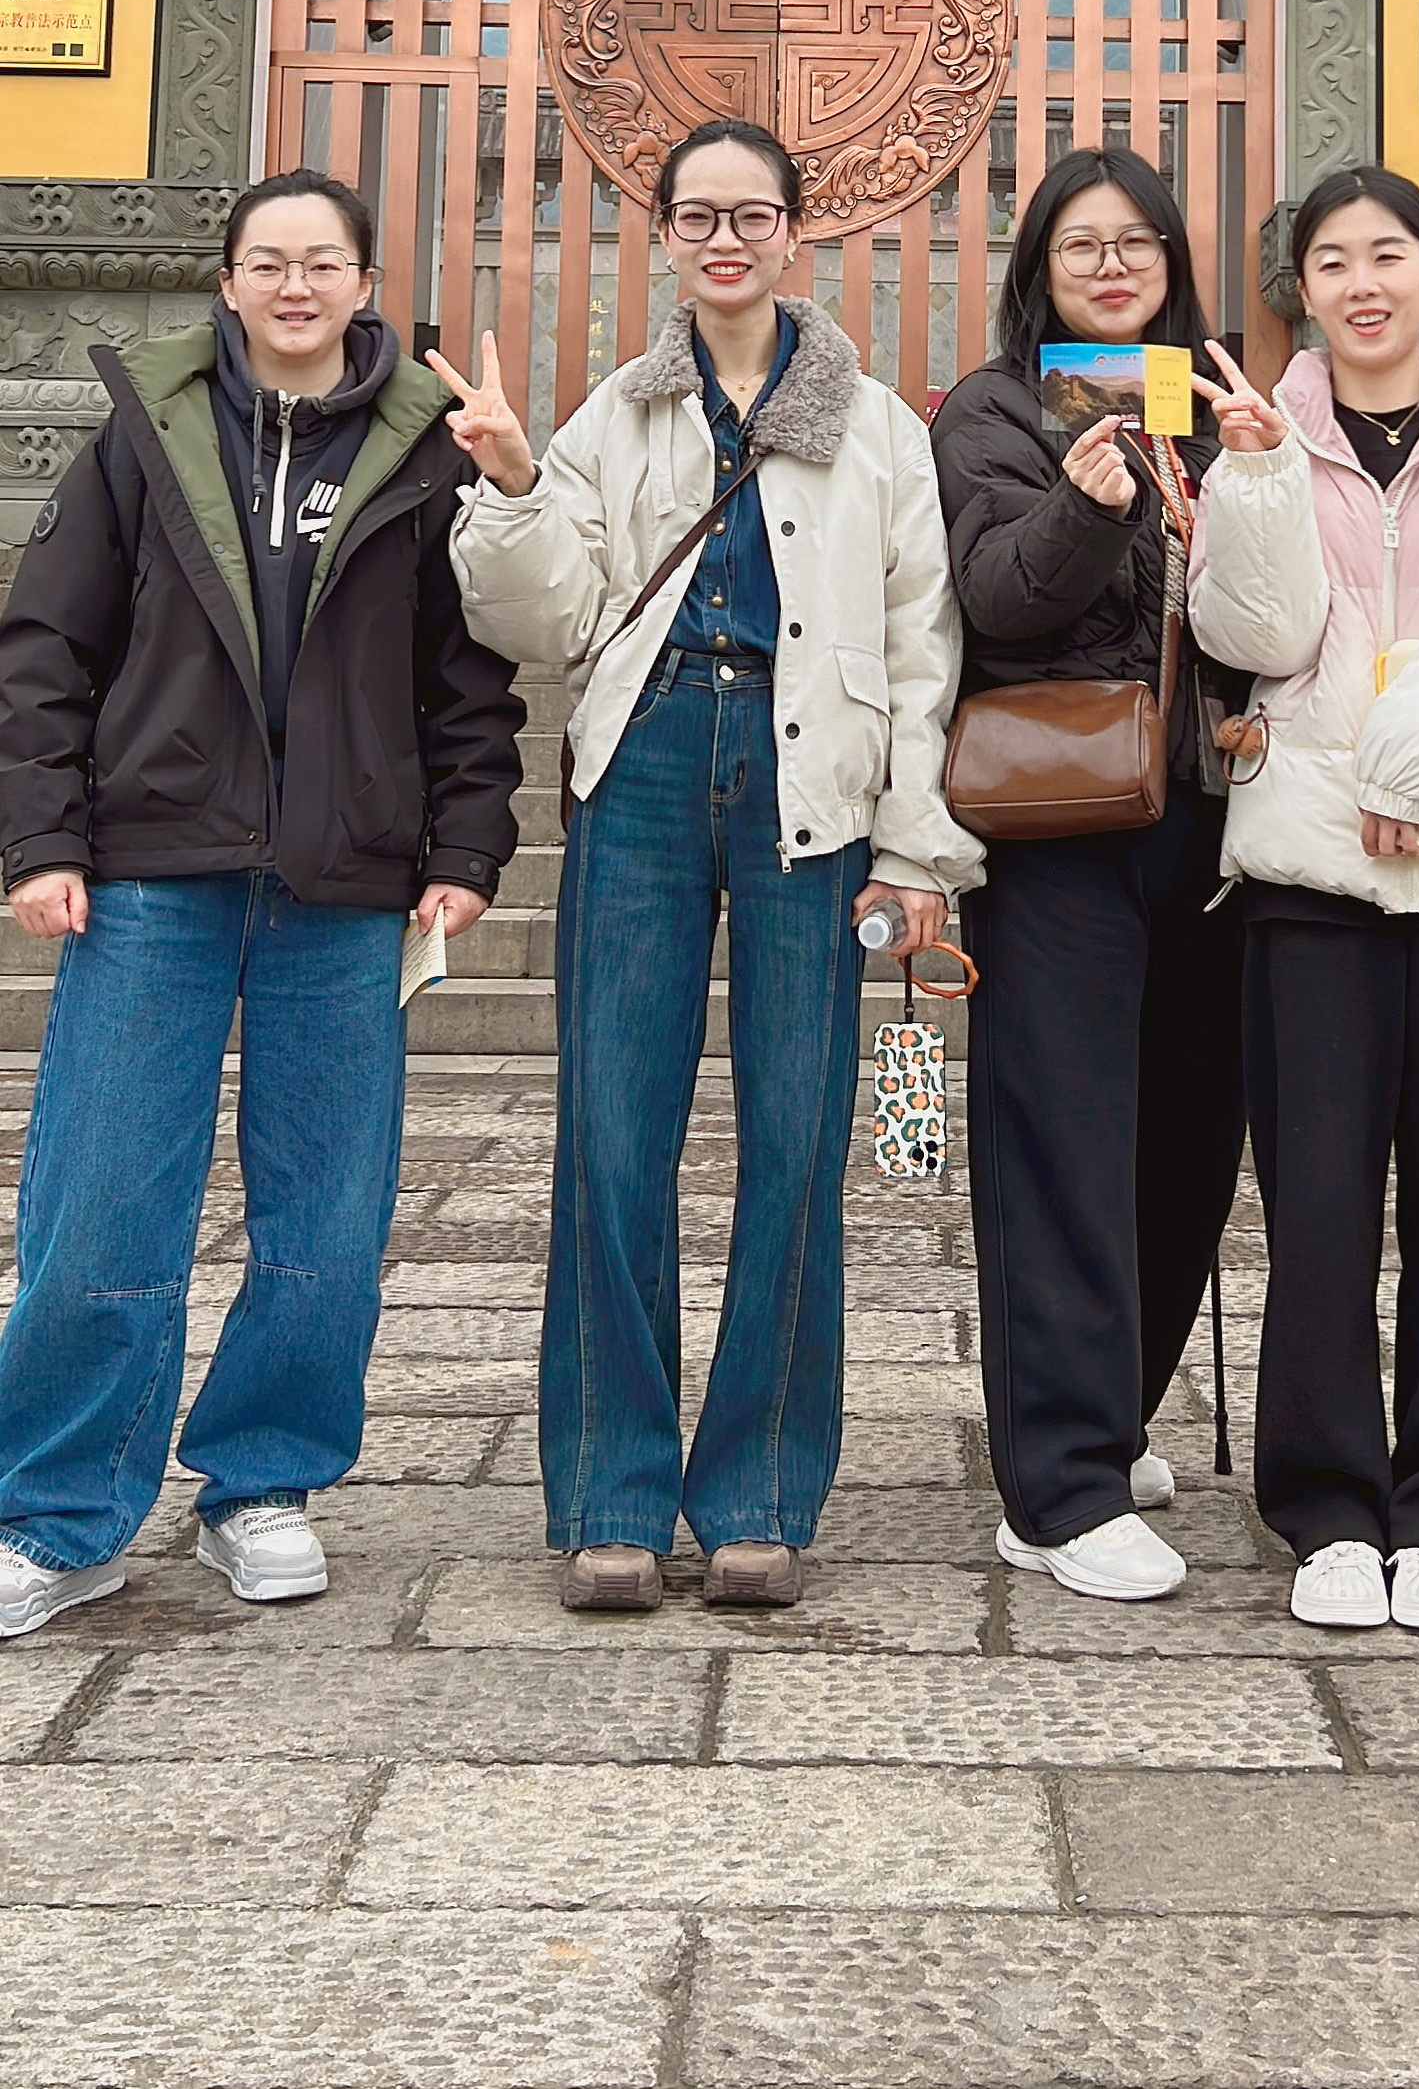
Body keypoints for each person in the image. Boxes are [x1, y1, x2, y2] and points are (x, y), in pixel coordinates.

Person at [441, 125, 977, 1614]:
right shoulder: (616, 413)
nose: (725, 239)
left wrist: (919, 846)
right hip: (650, 758)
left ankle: (757, 1495)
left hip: (818, 778)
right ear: (665, 237)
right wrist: (509, 486)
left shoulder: (877, 427)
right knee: (613, 1134)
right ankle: (611, 1494)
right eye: (697, 216)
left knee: (796, 1138)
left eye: (752, 215)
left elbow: (923, 644)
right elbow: (545, 622)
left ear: (797, 234)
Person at [0, 173, 521, 1642]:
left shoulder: (424, 450)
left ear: (363, 282)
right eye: (269, 262)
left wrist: (467, 849)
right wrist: (42, 840)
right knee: (104, 1198)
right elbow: (43, 651)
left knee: (327, 1210)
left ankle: (264, 1482)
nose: (297, 287)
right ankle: (61, 1510)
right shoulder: (145, 436)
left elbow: (467, 681)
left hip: (344, 882)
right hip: (152, 872)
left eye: (325, 262)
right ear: (228, 282)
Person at [1186, 167, 1419, 1635]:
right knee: (1319, 1205)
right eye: (1333, 261)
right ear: (1301, 290)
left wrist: (1409, 777)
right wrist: (1255, 481)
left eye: (1388, 255)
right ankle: (1330, 1509)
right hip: (1312, 878)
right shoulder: (1260, 437)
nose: (1363, 284)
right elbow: (1265, 635)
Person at [931, 148, 1246, 1605]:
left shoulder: (1222, 403)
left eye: (1137, 245)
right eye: (1081, 246)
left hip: (1211, 819)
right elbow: (998, 597)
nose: (1112, 268)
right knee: (1060, 1142)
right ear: (1039, 269)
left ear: (1172, 263)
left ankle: (1110, 1416)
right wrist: (1086, 504)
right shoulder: (995, 410)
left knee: (1187, 1140)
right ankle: (1055, 1491)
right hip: (1058, 822)